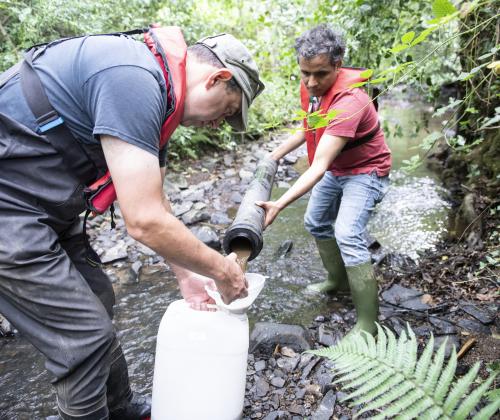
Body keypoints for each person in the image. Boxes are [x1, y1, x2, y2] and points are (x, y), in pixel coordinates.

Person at [0, 25, 264, 419]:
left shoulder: (156, 90)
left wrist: (187, 274)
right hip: (11, 207)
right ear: (217, 77)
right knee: (83, 338)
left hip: (43, 204)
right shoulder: (134, 79)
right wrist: (222, 270)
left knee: (98, 302)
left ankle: (121, 409)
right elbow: (143, 221)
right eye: (226, 112)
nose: (217, 126)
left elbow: (153, 200)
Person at [257, 24, 391, 341]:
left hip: (366, 170)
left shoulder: (350, 101)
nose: (312, 82)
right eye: (305, 73)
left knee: (346, 232)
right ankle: (338, 280)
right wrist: (273, 155)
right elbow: (310, 129)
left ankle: (369, 322)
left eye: (320, 74)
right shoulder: (314, 90)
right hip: (338, 169)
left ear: (337, 66)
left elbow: (318, 165)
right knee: (316, 221)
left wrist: (278, 203)